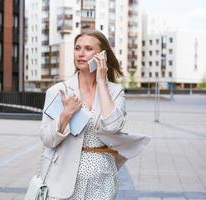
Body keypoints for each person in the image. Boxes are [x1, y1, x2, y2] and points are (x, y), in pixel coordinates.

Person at [40, 30, 150, 200]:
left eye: (88, 48)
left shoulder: (114, 91)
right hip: (64, 178)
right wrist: (65, 115)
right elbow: (47, 139)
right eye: (77, 48)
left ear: (102, 55)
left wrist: (101, 82)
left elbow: (112, 127)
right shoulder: (58, 91)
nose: (81, 53)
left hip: (102, 178)